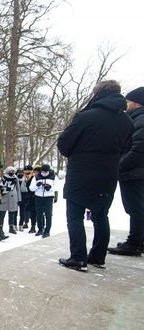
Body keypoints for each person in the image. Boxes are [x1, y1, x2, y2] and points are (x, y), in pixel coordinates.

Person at [57, 80, 133, 271]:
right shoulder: (126, 121)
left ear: (97, 94)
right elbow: (127, 148)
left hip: (81, 174)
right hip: (108, 175)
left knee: (74, 216)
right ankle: (98, 257)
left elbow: (64, 144)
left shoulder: (86, 117)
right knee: (101, 216)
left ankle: (78, 258)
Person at [108, 87, 144, 256]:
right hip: (135, 172)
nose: (126, 105)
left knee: (135, 209)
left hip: (135, 173)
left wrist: (119, 166)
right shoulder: (136, 119)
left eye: (128, 101)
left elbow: (138, 150)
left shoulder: (140, 120)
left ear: (137, 103)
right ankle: (138, 241)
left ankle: (134, 243)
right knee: (137, 208)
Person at [29, 164, 56, 238]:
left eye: (46, 172)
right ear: (41, 171)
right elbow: (31, 188)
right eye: (43, 172)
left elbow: (57, 186)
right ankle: (40, 229)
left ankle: (47, 231)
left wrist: (50, 187)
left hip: (49, 197)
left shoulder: (53, 177)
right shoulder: (36, 177)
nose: (44, 173)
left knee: (48, 214)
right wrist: (37, 185)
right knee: (39, 214)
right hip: (38, 197)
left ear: (49, 171)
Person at [0, 166, 21, 234]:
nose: (11, 173)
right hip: (3, 198)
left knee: (12, 214)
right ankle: (0, 228)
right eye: (10, 171)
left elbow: (18, 188)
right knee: (2, 214)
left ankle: (11, 228)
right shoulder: (3, 178)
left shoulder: (15, 178)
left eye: (13, 171)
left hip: (13, 198)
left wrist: (19, 199)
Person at [26, 166, 40, 233]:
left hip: (40, 198)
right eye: (34, 172)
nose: (35, 173)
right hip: (32, 198)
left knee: (40, 213)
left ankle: (41, 226)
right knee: (33, 213)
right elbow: (28, 186)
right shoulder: (32, 178)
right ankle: (33, 226)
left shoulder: (42, 178)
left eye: (37, 172)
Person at [17, 166, 32, 231]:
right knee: (15, 212)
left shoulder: (27, 178)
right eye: (19, 173)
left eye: (21, 173)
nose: (27, 171)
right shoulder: (16, 179)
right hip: (17, 196)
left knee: (24, 211)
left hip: (25, 196)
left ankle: (24, 223)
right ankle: (15, 225)